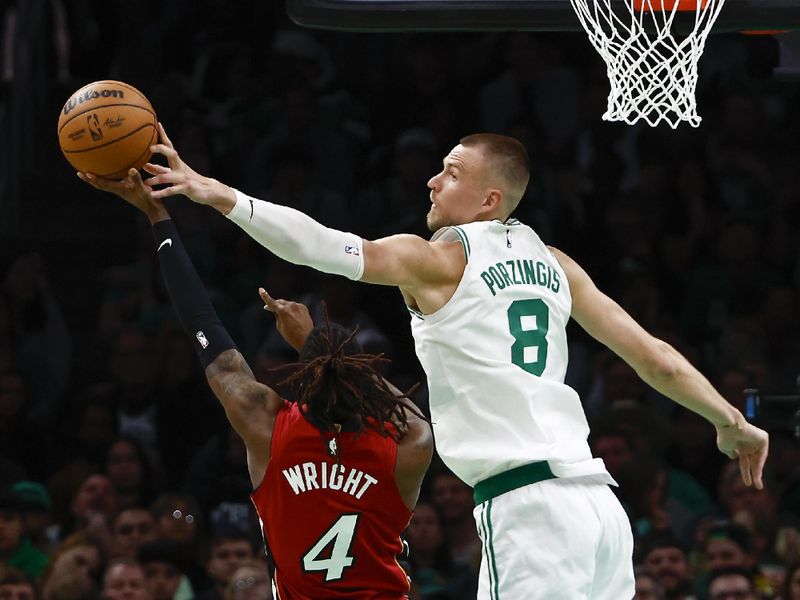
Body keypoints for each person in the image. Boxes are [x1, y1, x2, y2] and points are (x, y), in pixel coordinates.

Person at [91, 125, 769, 599]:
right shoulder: (557, 266)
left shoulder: (441, 257)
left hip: (527, 508)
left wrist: (214, 193)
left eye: (451, 172)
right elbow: (654, 359)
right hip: (599, 509)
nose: (433, 180)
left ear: (488, 201)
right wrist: (728, 420)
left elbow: (323, 247)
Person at [78, 160, 434, 599]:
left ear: (301, 383)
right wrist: (314, 341)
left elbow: (204, 329)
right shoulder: (406, 446)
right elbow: (396, 406)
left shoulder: (269, 427)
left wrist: (158, 219)